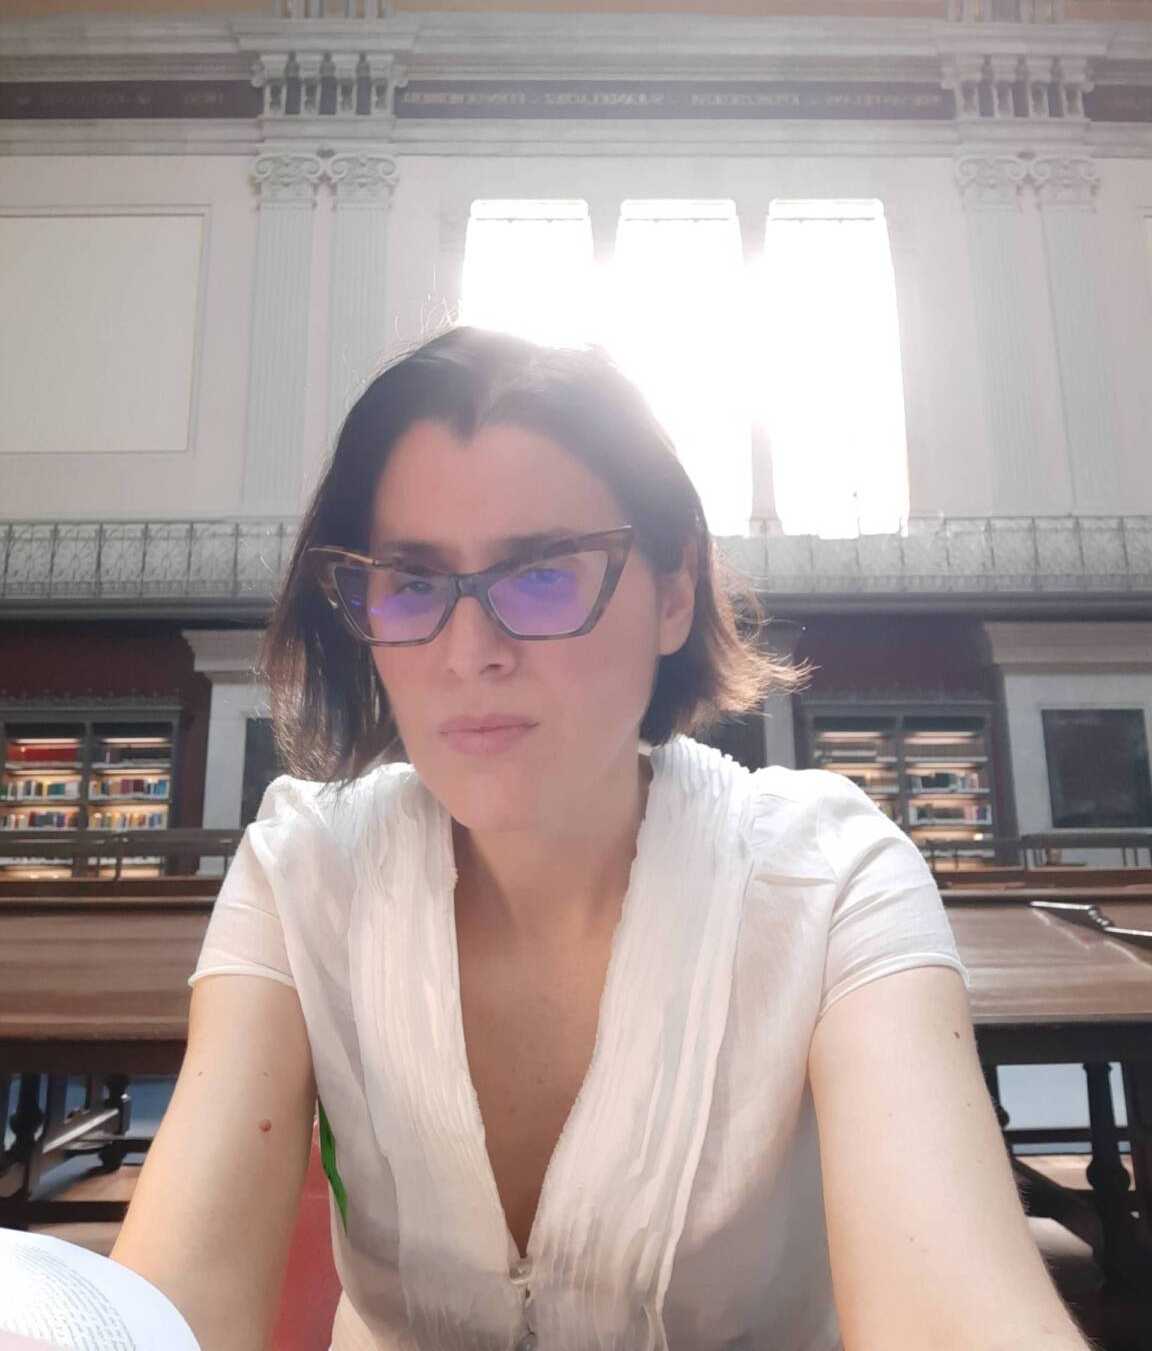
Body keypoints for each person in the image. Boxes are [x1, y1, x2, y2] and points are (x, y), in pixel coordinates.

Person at [111, 326, 1093, 1351]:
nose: (469, 653)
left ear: (674, 593)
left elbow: (957, 1308)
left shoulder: (831, 879)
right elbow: (169, 1297)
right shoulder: (303, 869)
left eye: (541, 575)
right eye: (413, 583)